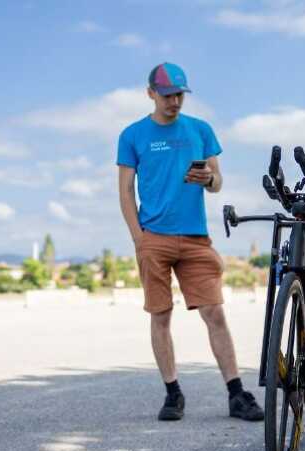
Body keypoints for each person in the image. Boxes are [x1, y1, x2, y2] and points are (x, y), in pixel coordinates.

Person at [117, 62, 263, 422]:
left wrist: (208, 178)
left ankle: (236, 394)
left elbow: (217, 184)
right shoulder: (133, 135)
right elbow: (124, 190)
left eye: (180, 95)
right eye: (167, 95)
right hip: (155, 238)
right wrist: (139, 239)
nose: (175, 102)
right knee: (160, 315)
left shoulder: (200, 130)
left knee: (215, 313)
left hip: (196, 239)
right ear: (151, 93)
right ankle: (173, 394)